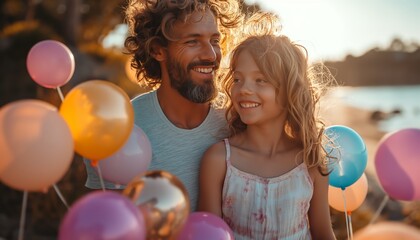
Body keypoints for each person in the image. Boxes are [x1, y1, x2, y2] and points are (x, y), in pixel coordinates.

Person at [84, 0, 244, 211]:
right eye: (192, 42)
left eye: (215, 40)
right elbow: (106, 222)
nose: (211, 55)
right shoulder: (122, 131)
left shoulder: (237, 123)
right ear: (158, 50)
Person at [198, 21, 337, 239]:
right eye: (237, 79)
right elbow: (208, 235)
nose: (244, 89)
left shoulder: (310, 162)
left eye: (260, 80)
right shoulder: (218, 160)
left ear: (290, 90)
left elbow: (323, 234)